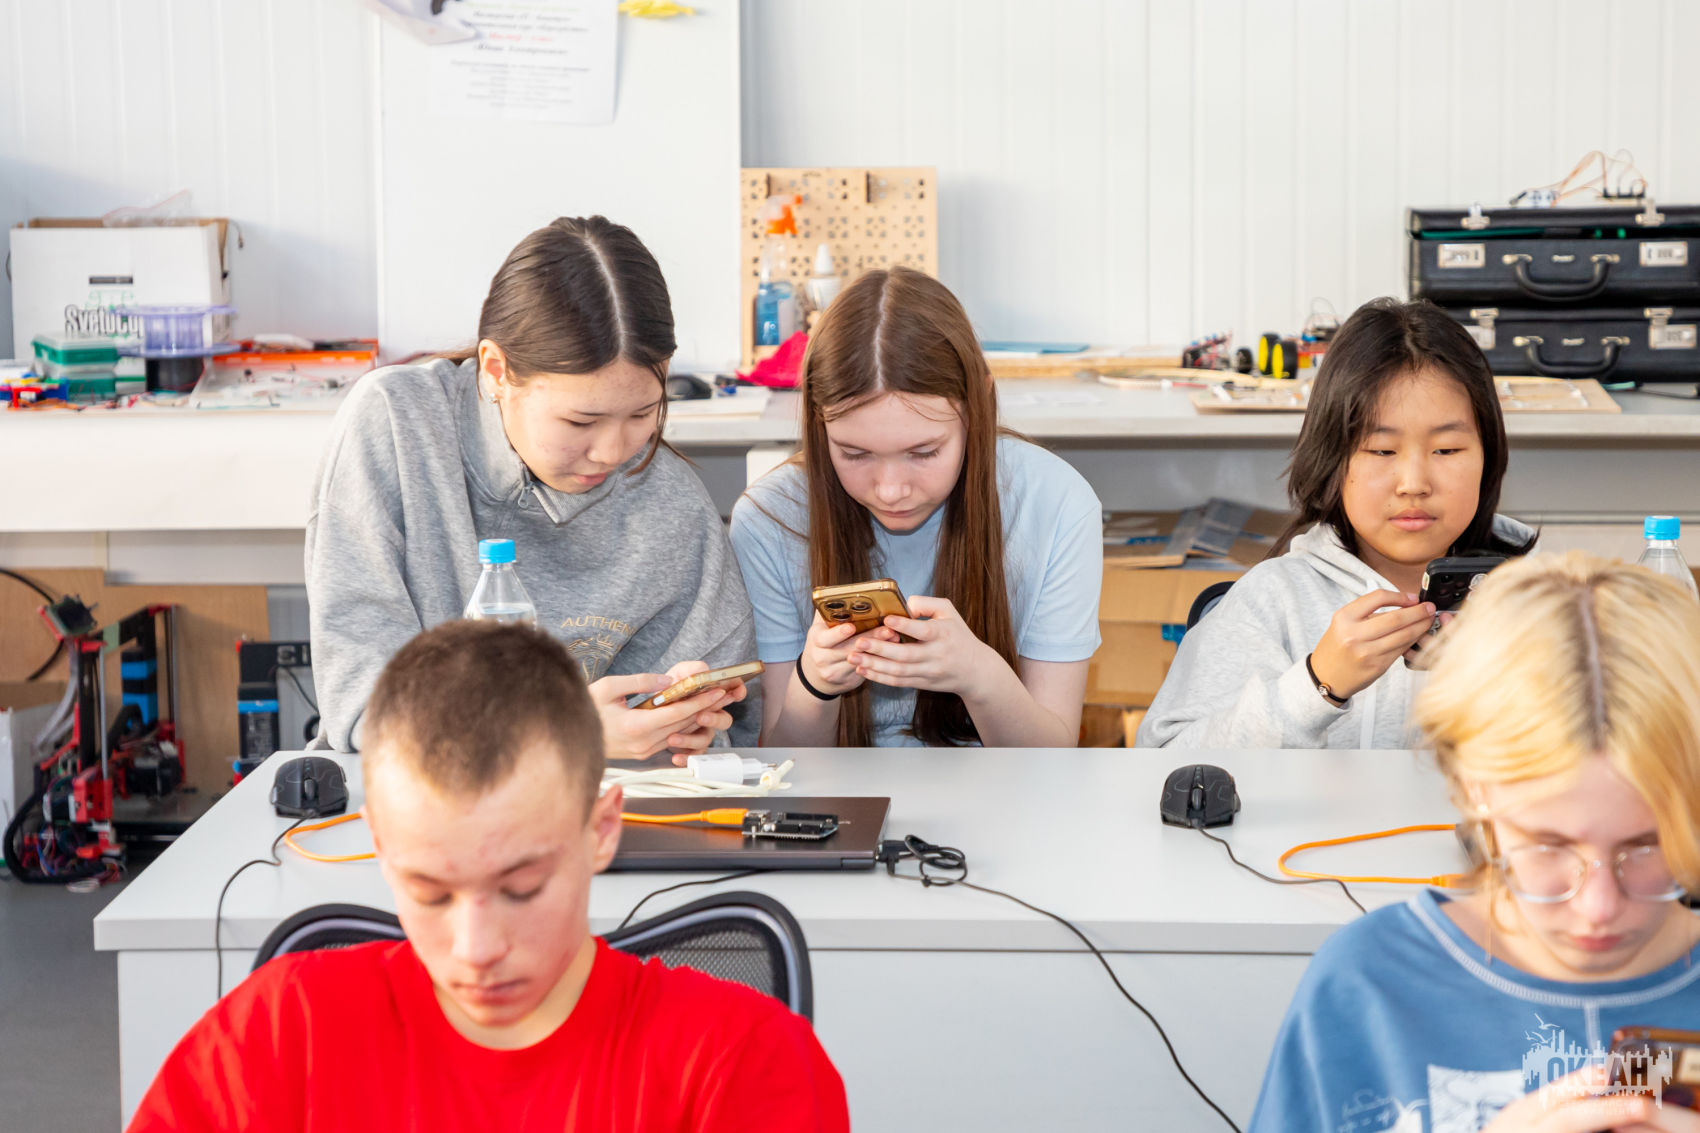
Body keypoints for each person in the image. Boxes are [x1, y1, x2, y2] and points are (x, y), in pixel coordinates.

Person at [128, 620, 849, 1132]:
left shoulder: (741, 1063)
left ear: (601, 829)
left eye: (522, 887)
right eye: (429, 891)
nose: (476, 948)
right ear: (381, 847)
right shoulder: (278, 1035)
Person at [1249, 553, 1700, 1133]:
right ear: (1472, 789)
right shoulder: (1369, 985)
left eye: (1646, 847)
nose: (1598, 909)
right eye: (1548, 846)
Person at [306, 216, 757, 759]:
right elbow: (363, 705)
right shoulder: (395, 423)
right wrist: (561, 731)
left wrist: (688, 727)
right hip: (416, 790)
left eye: (643, 413)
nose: (613, 452)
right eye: (580, 421)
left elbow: (731, 725)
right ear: (496, 371)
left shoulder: (672, 501)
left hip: (614, 797)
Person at [729, 266, 1103, 748]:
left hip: (1004, 785)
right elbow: (782, 764)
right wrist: (814, 684)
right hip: (836, 790)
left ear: (979, 406)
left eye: (924, 453)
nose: (890, 490)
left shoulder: (1058, 503)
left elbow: (1052, 759)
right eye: (854, 453)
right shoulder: (769, 519)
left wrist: (981, 676)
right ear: (818, 424)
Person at [1138, 298, 1535, 749]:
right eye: (1381, 450)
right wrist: (1316, 687)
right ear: (1332, 458)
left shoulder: (1543, 600)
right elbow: (1165, 762)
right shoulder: (1273, 601)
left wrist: (1503, 682)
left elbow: (1594, 762)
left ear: (1488, 457)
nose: (1414, 484)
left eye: (1446, 450)